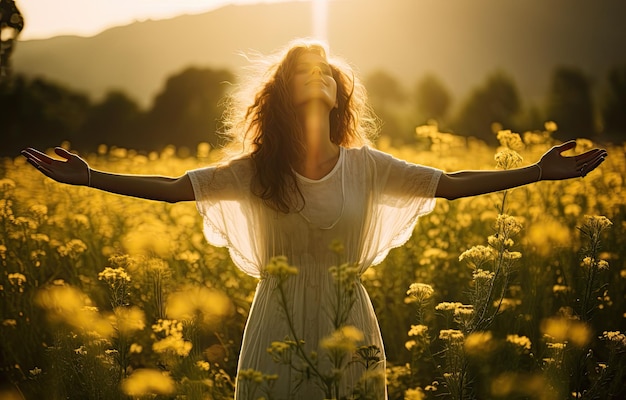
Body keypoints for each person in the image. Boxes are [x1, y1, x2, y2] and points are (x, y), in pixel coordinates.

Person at [21, 39, 606, 399]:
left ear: (338, 91)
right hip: (275, 324)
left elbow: (449, 186)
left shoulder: (368, 166)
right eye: (304, 67)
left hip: (353, 322)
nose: (318, 70)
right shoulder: (256, 170)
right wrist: (90, 178)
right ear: (282, 92)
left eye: (326, 66)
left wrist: (535, 171)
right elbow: (176, 190)